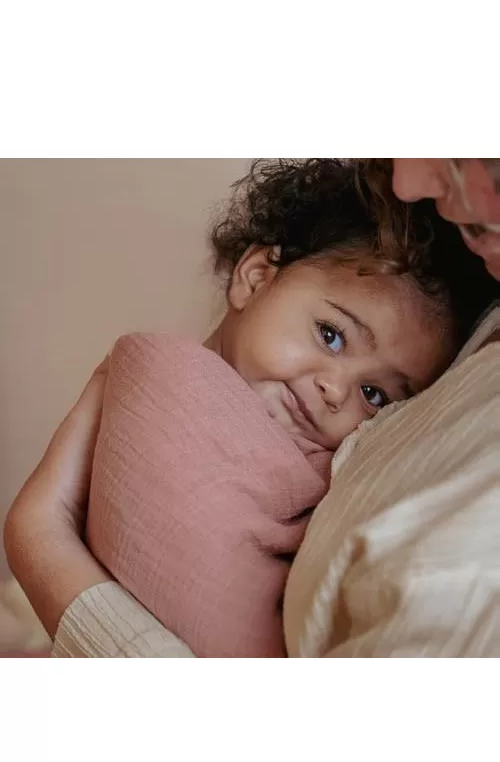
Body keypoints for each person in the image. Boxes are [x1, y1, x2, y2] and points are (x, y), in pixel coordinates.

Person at [4, 159, 500, 658]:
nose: (335, 390)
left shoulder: (342, 475)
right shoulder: (164, 380)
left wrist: (40, 537)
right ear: (256, 276)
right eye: (331, 335)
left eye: (374, 395)